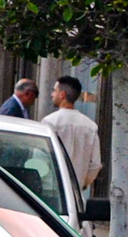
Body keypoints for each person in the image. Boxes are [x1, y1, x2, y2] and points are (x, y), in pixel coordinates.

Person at [41, 75, 102, 220]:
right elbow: (95, 165)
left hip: (51, 192)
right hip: (77, 196)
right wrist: (82, 182)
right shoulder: (90, 126)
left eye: (54, 91)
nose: (52, 94)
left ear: (62, 95)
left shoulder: (49, 122)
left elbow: (41, 157)